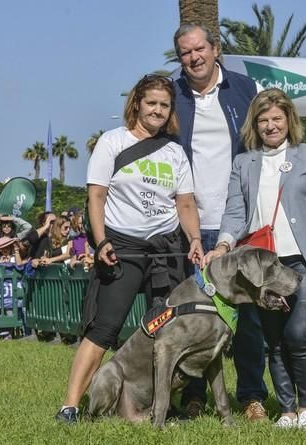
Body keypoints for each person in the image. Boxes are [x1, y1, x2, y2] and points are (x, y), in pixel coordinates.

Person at [55, 74, 203, 424]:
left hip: (165, 250)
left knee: (168, 333)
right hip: (121, 247)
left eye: (164, 105)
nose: (157, 110)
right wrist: (101, 240)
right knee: (104, 330)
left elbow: (184, 203)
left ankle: (161, 406)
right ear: (137, 103)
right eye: (151, 103)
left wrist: (194, 239)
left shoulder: (175, 152)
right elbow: (97, 196)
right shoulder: (112, 141)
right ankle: (70, 405)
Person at [203, 88, 306, 429]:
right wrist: (223, 245)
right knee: (276, 340)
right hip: (264, 268)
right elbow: (235, 212)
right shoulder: (244, 162)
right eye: (263, 120)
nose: (270, 126)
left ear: (289, 120)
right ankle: (286, 410)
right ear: (255, 124)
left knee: (298, 333)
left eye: (277, 119)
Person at [172, 23, 267, 421]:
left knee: (247, 317)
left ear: (215, 50)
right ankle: (194, 396)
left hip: (239, 224)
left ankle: (251, 396)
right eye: (185, 53)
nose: (194, 58)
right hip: (189, 225)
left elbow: (272, 139)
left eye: (199, 49)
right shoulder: (171, 94)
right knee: (195, 316)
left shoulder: (247, 89)